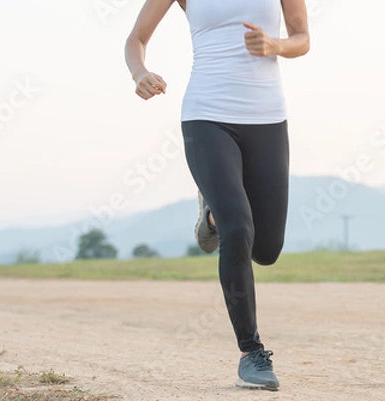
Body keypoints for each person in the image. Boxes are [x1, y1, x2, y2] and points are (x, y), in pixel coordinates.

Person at [125, 0, 310, 391]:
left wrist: (275, 45)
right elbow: (136, 39)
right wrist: (139, 72)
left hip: (267, 118)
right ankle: (252, 353)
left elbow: (302, 38)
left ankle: (212, 216)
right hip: (206, 114)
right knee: (238, 228)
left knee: (266, 249)